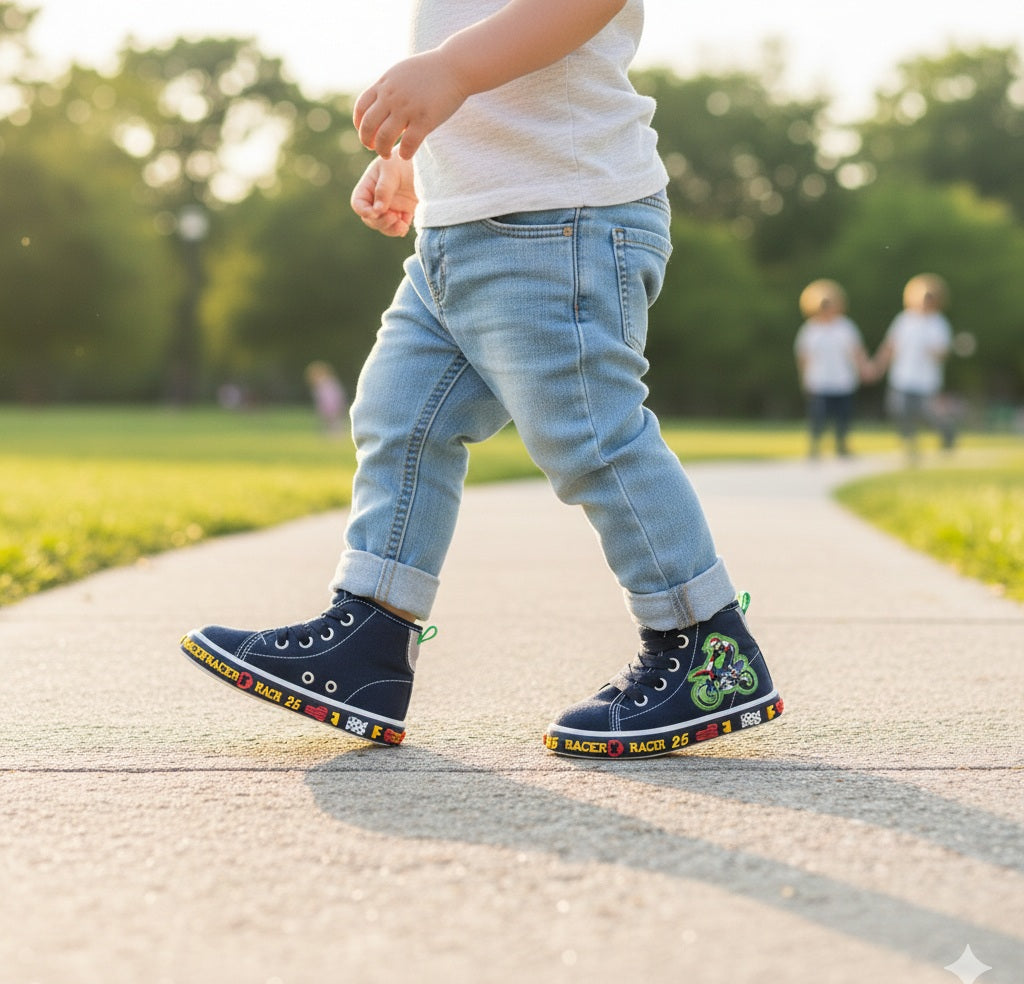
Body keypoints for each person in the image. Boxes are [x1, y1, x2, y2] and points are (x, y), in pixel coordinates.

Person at [180, 0, 783, 760]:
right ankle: (370, 638)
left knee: (590, 435)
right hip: (460, 226)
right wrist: (411, 154)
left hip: (561, 215)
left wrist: (452, 71)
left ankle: (704, 642)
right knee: (401, 416)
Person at [871, 273, 956, 460]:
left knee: (929, 415)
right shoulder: (904, 320)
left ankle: (947, 433)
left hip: (927, 380)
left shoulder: (939, 323)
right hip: (902, 377)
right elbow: (890, 346)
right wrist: (878, 366)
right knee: (899, 410)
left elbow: (942, 353)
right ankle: (910, 444)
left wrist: (934, 352)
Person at [793, 279, 871, 458]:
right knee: (818, 417)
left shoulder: (845, 327)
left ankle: (841, 444)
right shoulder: (810, 330)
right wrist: (804, 378)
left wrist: (864, 368)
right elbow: (803, 357)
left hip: (843, 381)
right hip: (819, 381)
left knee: (843, 417)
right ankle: (815, 445)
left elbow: (857, 351)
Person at [305, 360, 348, 433]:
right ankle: (333, 435)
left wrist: (330, 408)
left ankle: (336, 435)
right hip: (331, 407)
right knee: (332, 423)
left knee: (334, 422)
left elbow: (330, 398)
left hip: (331, 407)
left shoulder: (325, 384)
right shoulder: (326, 383)